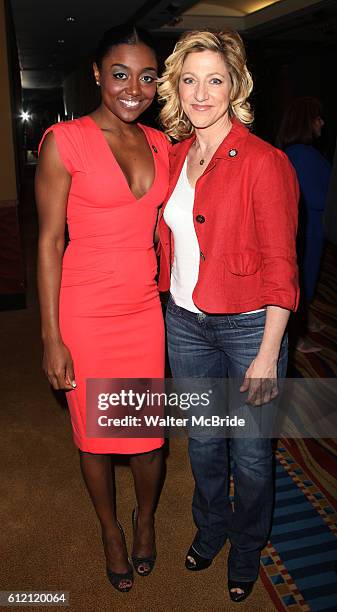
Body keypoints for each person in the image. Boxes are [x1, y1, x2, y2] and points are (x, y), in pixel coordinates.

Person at [157, 30, 299, 602]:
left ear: (235, 85)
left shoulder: (266, 161)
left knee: (250, 453)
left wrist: (269, 354)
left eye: (215, 79)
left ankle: (246, 544)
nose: (201, 92)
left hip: (248, 330)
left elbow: (283, 268)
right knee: (203, 444)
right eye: (189, 79)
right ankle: (211, 527)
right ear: (176, 86)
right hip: (185, 322)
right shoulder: (172, 154)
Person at [35, 25, 169, 592]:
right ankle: (110, 529)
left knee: (146, 437)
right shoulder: (64, 141)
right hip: (84, 314)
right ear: (97, 74)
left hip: (143, 309)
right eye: (120, 74)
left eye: (146, 76)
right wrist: (50, 337)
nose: (133, 88)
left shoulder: (161, 143)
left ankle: (144, 520)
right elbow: (48, 242)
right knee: (94, 436)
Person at [276, 97, 331, 352]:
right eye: (316, 118)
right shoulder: (304, 155)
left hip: (307, 228)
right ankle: (297, 335)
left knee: (305, 278)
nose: (322, 122)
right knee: (302, 279)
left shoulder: (297, 152)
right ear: (305, 122)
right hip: (307, 230)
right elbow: (317, 198)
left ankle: (304, 322)